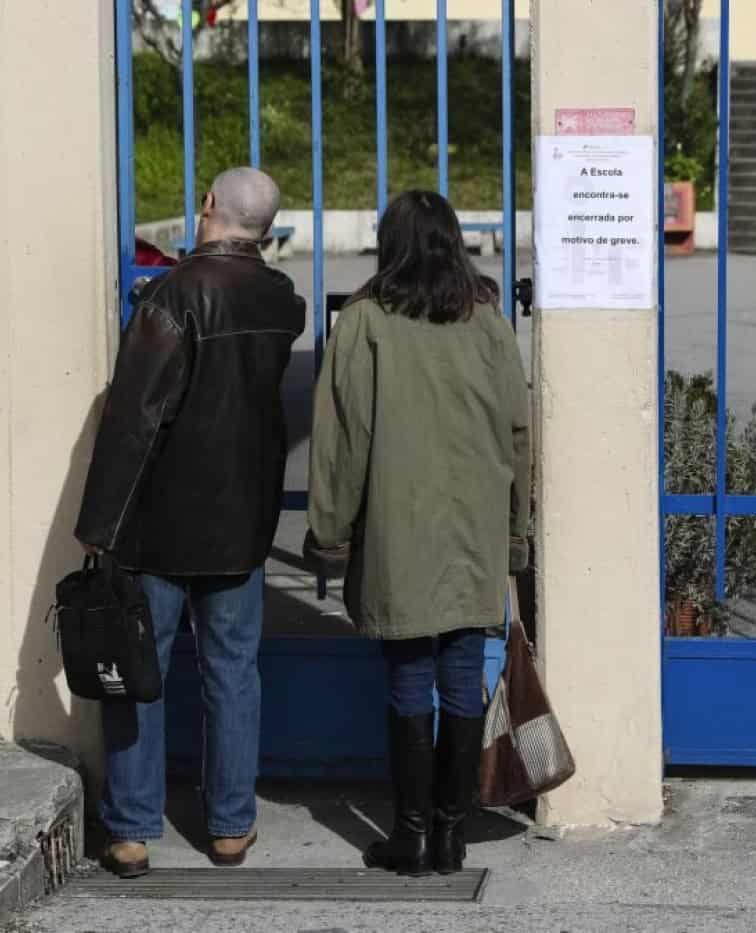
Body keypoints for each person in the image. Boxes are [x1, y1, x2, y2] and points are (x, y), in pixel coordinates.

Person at [75, 167, 305, 876]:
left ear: (208, 206)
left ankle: (134, 830)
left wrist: (100, 524)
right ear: (266, 227)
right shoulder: (279, 299)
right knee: (233, 670)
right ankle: (232, 825)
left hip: (160, 520)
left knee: (140, 671)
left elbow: (133, 421)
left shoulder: (171, 297)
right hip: (240, 521)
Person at [305, 190, 532, 877]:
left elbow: (343, 438)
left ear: (388, 245)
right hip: (474, 525)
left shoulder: (366, 321)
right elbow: (518, 435)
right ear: (455, 242)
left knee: (408, 678)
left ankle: (409, 835)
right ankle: (451, 832)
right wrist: (516, 532)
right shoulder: (489, 323)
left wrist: (330, 528)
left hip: (399, 527)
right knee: (463, 674)